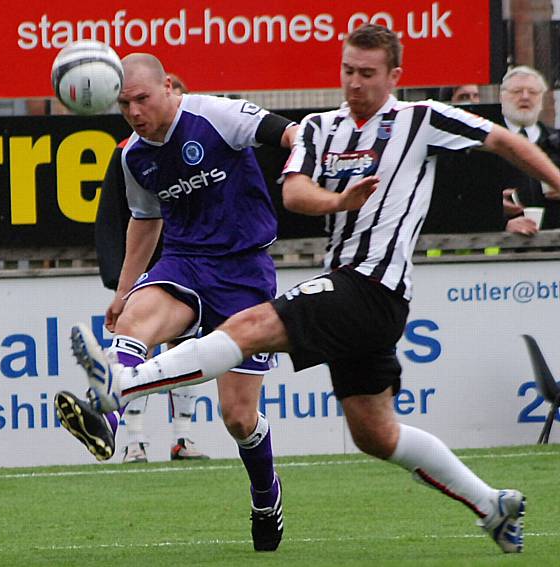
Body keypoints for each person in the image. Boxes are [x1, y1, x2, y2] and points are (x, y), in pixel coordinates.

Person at [70, 24, 560, 554]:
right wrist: (338, 201)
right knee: (376, 434)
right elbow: (297, 192)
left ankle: (117, 390)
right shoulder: (323, 127)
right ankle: (494, 505)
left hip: (373, 285)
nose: (354, 83)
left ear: (394, 76)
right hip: (333, 284)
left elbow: (503, 139)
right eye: (348, 71)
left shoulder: (420, 119)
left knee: (249, 328)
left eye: (367, 74)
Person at [55, 53, 297, 551]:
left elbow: (288, 134)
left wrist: (305, 171)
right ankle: (109, 418)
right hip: (184, 264)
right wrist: (122, 293)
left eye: (142, 99)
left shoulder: (216, 116)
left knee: (239, 418)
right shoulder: (132, 155)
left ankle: (264, 493)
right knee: (133, 326)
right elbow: (144, 222)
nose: (133, 111)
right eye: (124, 104)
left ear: (168, 87)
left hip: (245, 272)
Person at [94, 73, 209, 464]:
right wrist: (120, 281)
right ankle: (134, 441)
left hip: (190, 264)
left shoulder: (202, 145)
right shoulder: (129, 153)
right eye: (129, 103)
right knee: (136, 349)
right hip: (151, 266)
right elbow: (117, 214)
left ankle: (184, 438)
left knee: (185, 350)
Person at [496, 66, 560, 235]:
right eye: (517, 91)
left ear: (541, 99)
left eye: (532, 92)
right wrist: (496, 211)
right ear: (501, 96)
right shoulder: (486, 143)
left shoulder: (556, 141)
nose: (525, 97)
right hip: (501, 246)